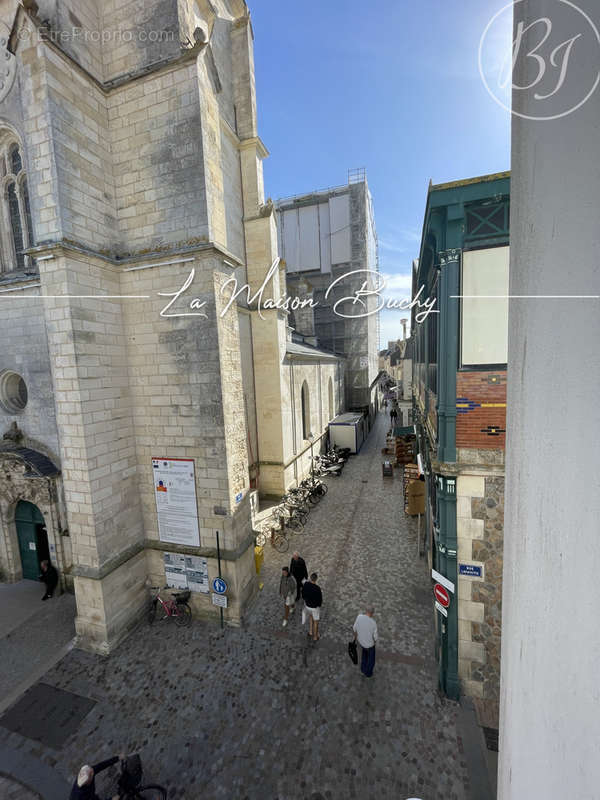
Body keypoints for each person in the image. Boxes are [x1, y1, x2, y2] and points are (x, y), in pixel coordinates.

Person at [353, 604, 378, 677]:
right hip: (370, 645)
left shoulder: (359, 617)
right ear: (372, 613)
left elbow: (354, 629)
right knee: (371, 660)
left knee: (364, 655)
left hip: (361, 642)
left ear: (366, 611)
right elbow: (375, 638)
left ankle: (363, 669)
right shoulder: (373, 623)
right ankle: (368, 673)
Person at [301, 572, 323, 641]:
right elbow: (320, 600)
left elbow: (303, 595)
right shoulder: (317, 588)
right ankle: (315, 636)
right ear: (316, 579)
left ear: (310, 578)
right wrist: (318, 606)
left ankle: (310, 632)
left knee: (311, 617)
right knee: (316, 622)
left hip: (307, 606)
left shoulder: (306, 584)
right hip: (314, 608)